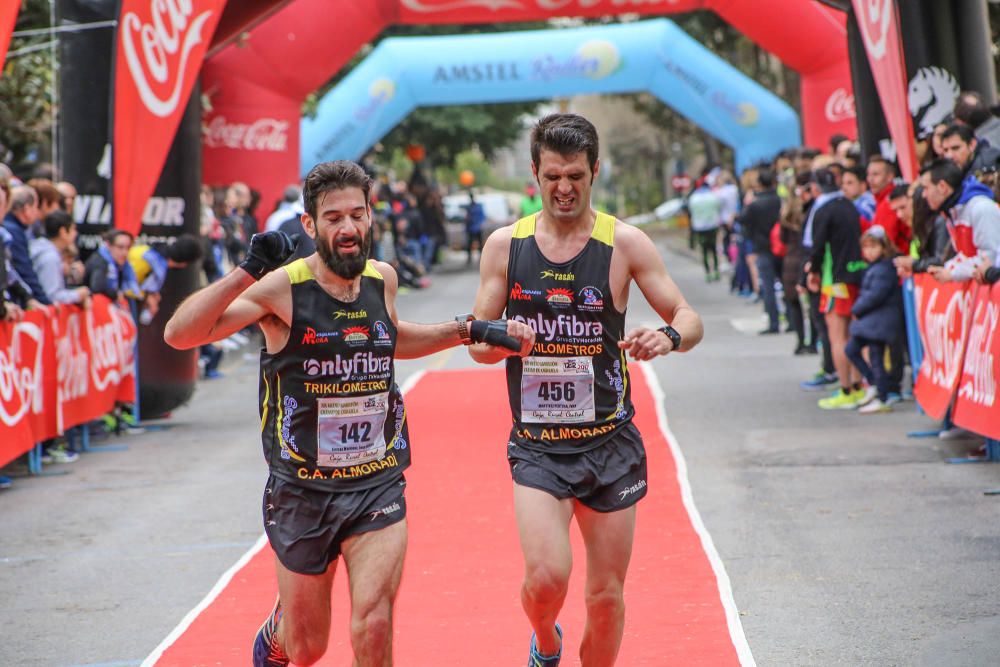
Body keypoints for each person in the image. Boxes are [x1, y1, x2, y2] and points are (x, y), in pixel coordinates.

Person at [165, 160, 533, 667]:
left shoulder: (382, 278)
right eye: (333, 218)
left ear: (370, 217)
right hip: (302, 488)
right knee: (307, 647)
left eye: (357, 215)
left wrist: (468, 328)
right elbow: (181, 335)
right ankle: (281, 628)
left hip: (375, 480)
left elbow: (390, 340)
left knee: (374, 621)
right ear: (311, 225)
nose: (348, 228)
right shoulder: (283, 288)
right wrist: (248, 271)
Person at [470, 113, 703, 666]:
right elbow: (477, 344)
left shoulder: (624, 243)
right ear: (535, 174)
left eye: (575, 174)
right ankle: (545, 642)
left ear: (595, 170)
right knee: (546, 579)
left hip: (610, 444)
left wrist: (666, 337)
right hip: (538, 447)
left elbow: (689, 317)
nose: (564, 188)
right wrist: (505, 337)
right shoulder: (506, 246)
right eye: (552, 176)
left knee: (604, 599)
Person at [805, 168, 866, 410]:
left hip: (834, 281)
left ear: (817, 188)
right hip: (856, 275)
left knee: (837, 337)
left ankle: (846, 388)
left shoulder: (823, 210)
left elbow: (817, 248)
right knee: (853, 334)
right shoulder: (851, 206)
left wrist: (813, 272)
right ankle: (859, 385)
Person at [844, 225, 903, 414]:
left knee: (876, 359)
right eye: (866, 247)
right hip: (872, 322)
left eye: (873, 247)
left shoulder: (884, 269)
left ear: (883, 247)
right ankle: (874, 384)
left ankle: (882, 394)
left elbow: (875, 295)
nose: (868, 252)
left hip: (879, 322)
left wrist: (857, 309)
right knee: (852, 349)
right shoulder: (874, 268)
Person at [738, 168, 783, 333]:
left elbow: (743, 219)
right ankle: (792, 321)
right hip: (781, 247)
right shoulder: (779, 200)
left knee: (769, 286)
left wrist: (748, 203)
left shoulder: (755, 204)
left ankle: (774, 322)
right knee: (786, 285)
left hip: (763, 247)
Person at [686, 178, 722, 281]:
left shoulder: (694, 198)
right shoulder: (713, 196)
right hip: (712, 226)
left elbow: (691, 212)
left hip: (700, 228)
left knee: (704, 251)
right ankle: (716, 271)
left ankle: (707, 273)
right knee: (713, 249)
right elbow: (718, 208)